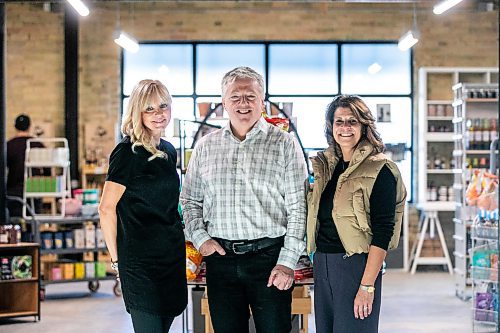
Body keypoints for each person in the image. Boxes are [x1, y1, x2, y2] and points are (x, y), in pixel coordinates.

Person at [180, 66, 308, 333]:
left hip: (270, 260)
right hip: (221, 261)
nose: (243, 103)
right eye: (235, 97)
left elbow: (299, 209)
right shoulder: (205, 147)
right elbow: (190, 200)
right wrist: (201, 240)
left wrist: (287, 261)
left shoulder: (284, 144)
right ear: (224, 103)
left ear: (262, 101)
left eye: (250, 96)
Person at [306, 95, 406, 333]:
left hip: (356, 267)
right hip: (323, 264)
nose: (345, 128)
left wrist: (367, 286)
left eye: (352, 121)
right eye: (339, 121)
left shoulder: (380, 169)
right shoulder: (327, 167)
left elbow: (383, 232)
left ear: (364, 125)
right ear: (331, 127)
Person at [98, 79, 187, 333]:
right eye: (150, 109)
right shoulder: (126, 153)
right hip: (139, 264)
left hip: (170, 257)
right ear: (137, 112)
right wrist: (118, 263)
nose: (159, 114)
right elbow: (106, 209)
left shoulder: (169, 151)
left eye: (163, 106)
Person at [6, 114, 45, 217]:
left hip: (14, 192)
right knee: (33, 225)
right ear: (29, 126)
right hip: (35, 191)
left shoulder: (9, 145)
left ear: (15, 126)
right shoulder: (38, 145)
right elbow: (48, 171)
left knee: (14, 224)